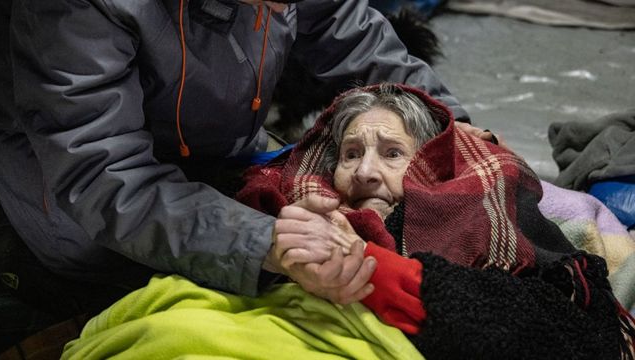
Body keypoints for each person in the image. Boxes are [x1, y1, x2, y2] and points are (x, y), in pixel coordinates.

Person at [0, 0, 474, 332]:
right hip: (77, 203)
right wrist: (262, 242)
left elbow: (350, 34)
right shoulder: (73, 11)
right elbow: (104, 175)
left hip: (216, 158)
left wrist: (452, 126)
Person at [237, 83, 635, 359]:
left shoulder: (483, 216)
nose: (364, 172)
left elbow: (569, 335)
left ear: (432, 164)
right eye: (351, 154)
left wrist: (370, 267)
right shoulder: (290, 214)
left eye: (393, 153)